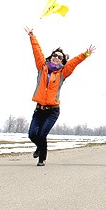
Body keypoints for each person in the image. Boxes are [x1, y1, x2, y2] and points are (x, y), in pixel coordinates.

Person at [24, 26, 96, 166]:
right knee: (32, 134)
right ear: (51, 57)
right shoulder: (42, 68)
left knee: (42, 135)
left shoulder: (63, 73)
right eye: (54, 55)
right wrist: (32, 37)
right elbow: (37, 52)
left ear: (62, 61)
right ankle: (40, 147)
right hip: (39, 109)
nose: (56, 57)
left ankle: (42, 159)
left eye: (60, 57)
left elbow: (73, 63)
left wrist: (85, 54)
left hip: (52, 111)